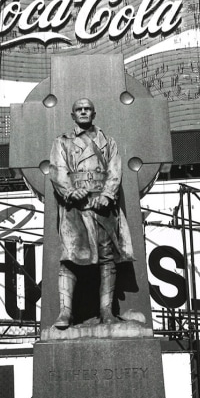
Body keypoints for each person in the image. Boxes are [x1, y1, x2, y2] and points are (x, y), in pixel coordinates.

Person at [48, 98, 134, 328]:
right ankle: (65, 312)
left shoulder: (108, 142)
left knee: (107, 259)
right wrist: (69, 191)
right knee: (70, 258)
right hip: (74, 208)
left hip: (101, 207)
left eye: (87, 109)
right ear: (72, 115)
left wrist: (107, 195)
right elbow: (57, 169)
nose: (83, 112)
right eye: (79, 109)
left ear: (94, 114)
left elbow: (115, 171)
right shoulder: (62, 142)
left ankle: (106, 312)